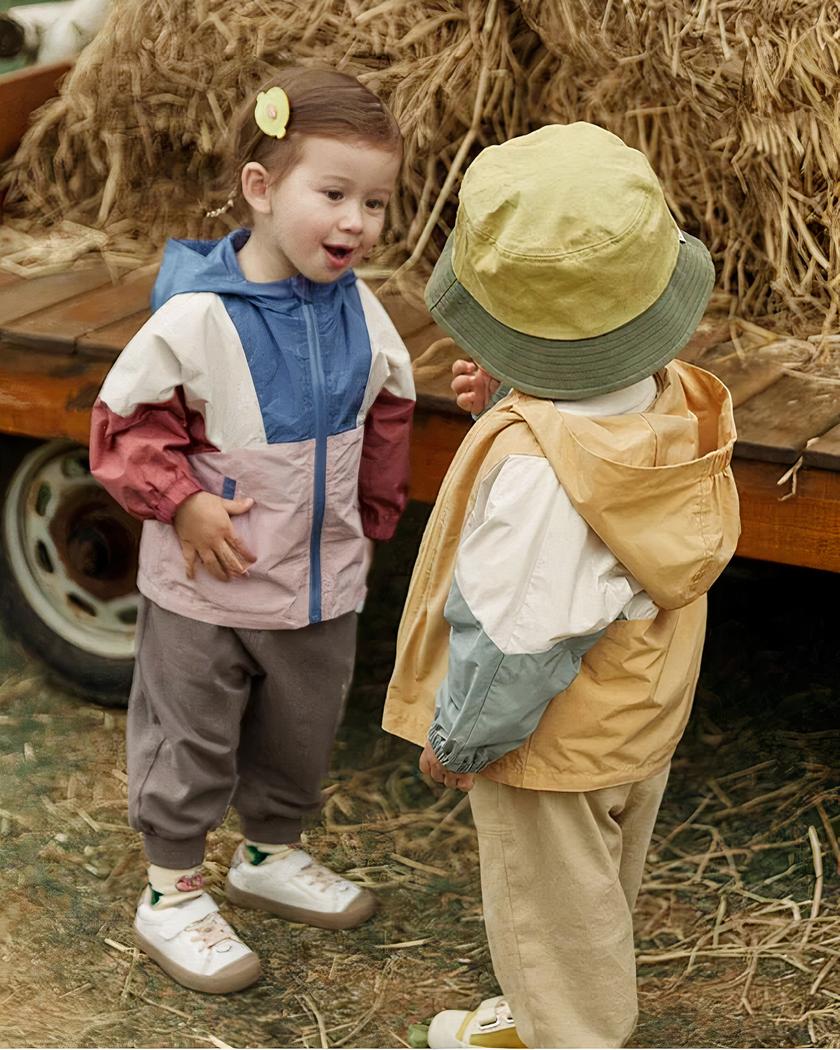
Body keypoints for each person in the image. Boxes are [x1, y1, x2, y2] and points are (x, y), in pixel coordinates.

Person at [383, 122, 740, 1047]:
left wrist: (458, 742)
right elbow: (594, 442)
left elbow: (515, 636)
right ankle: (559, 1011)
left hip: (549, 740)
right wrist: (517, 397)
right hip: (635, 710)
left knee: (548, 914)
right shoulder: (669, 396)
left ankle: (568, 1031)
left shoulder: (538, 476)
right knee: (597, 885)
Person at [89, 66, 415, 994]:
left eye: (378, 202)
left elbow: (389, 404)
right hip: (208, 586)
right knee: (190, 732)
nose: (356, 222)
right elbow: (124, 424)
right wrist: (180, 498)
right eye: (335, 194)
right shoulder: (197, 315)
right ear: (262, 190)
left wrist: (374, 508)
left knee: (299, 730)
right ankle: (172, 891)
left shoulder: (363, 310)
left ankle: (270, 855)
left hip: (317, 583)